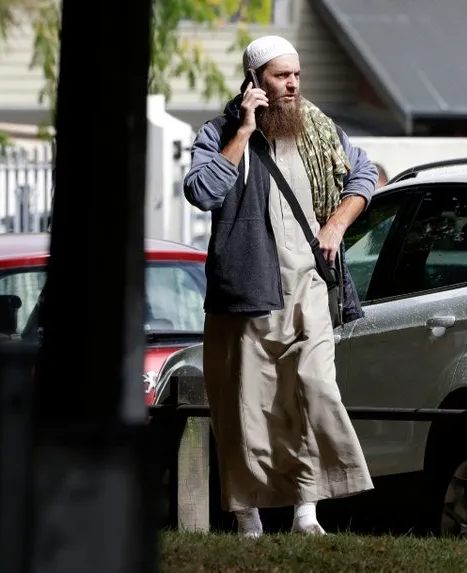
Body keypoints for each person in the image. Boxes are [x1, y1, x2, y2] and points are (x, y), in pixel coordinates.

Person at [183, 35, 376, 538]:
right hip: (247, 293)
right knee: (247, 407)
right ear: (255, 81)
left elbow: (365, 173)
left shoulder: (317, 128)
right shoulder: (221, 131)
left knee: (314, 389)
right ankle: (248, 517)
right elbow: (202, 191)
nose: (292, 84)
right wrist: (244, 131)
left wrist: (336, 224)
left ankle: (306, 510)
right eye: (280, 76)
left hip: (309, 285)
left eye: (296, 74)